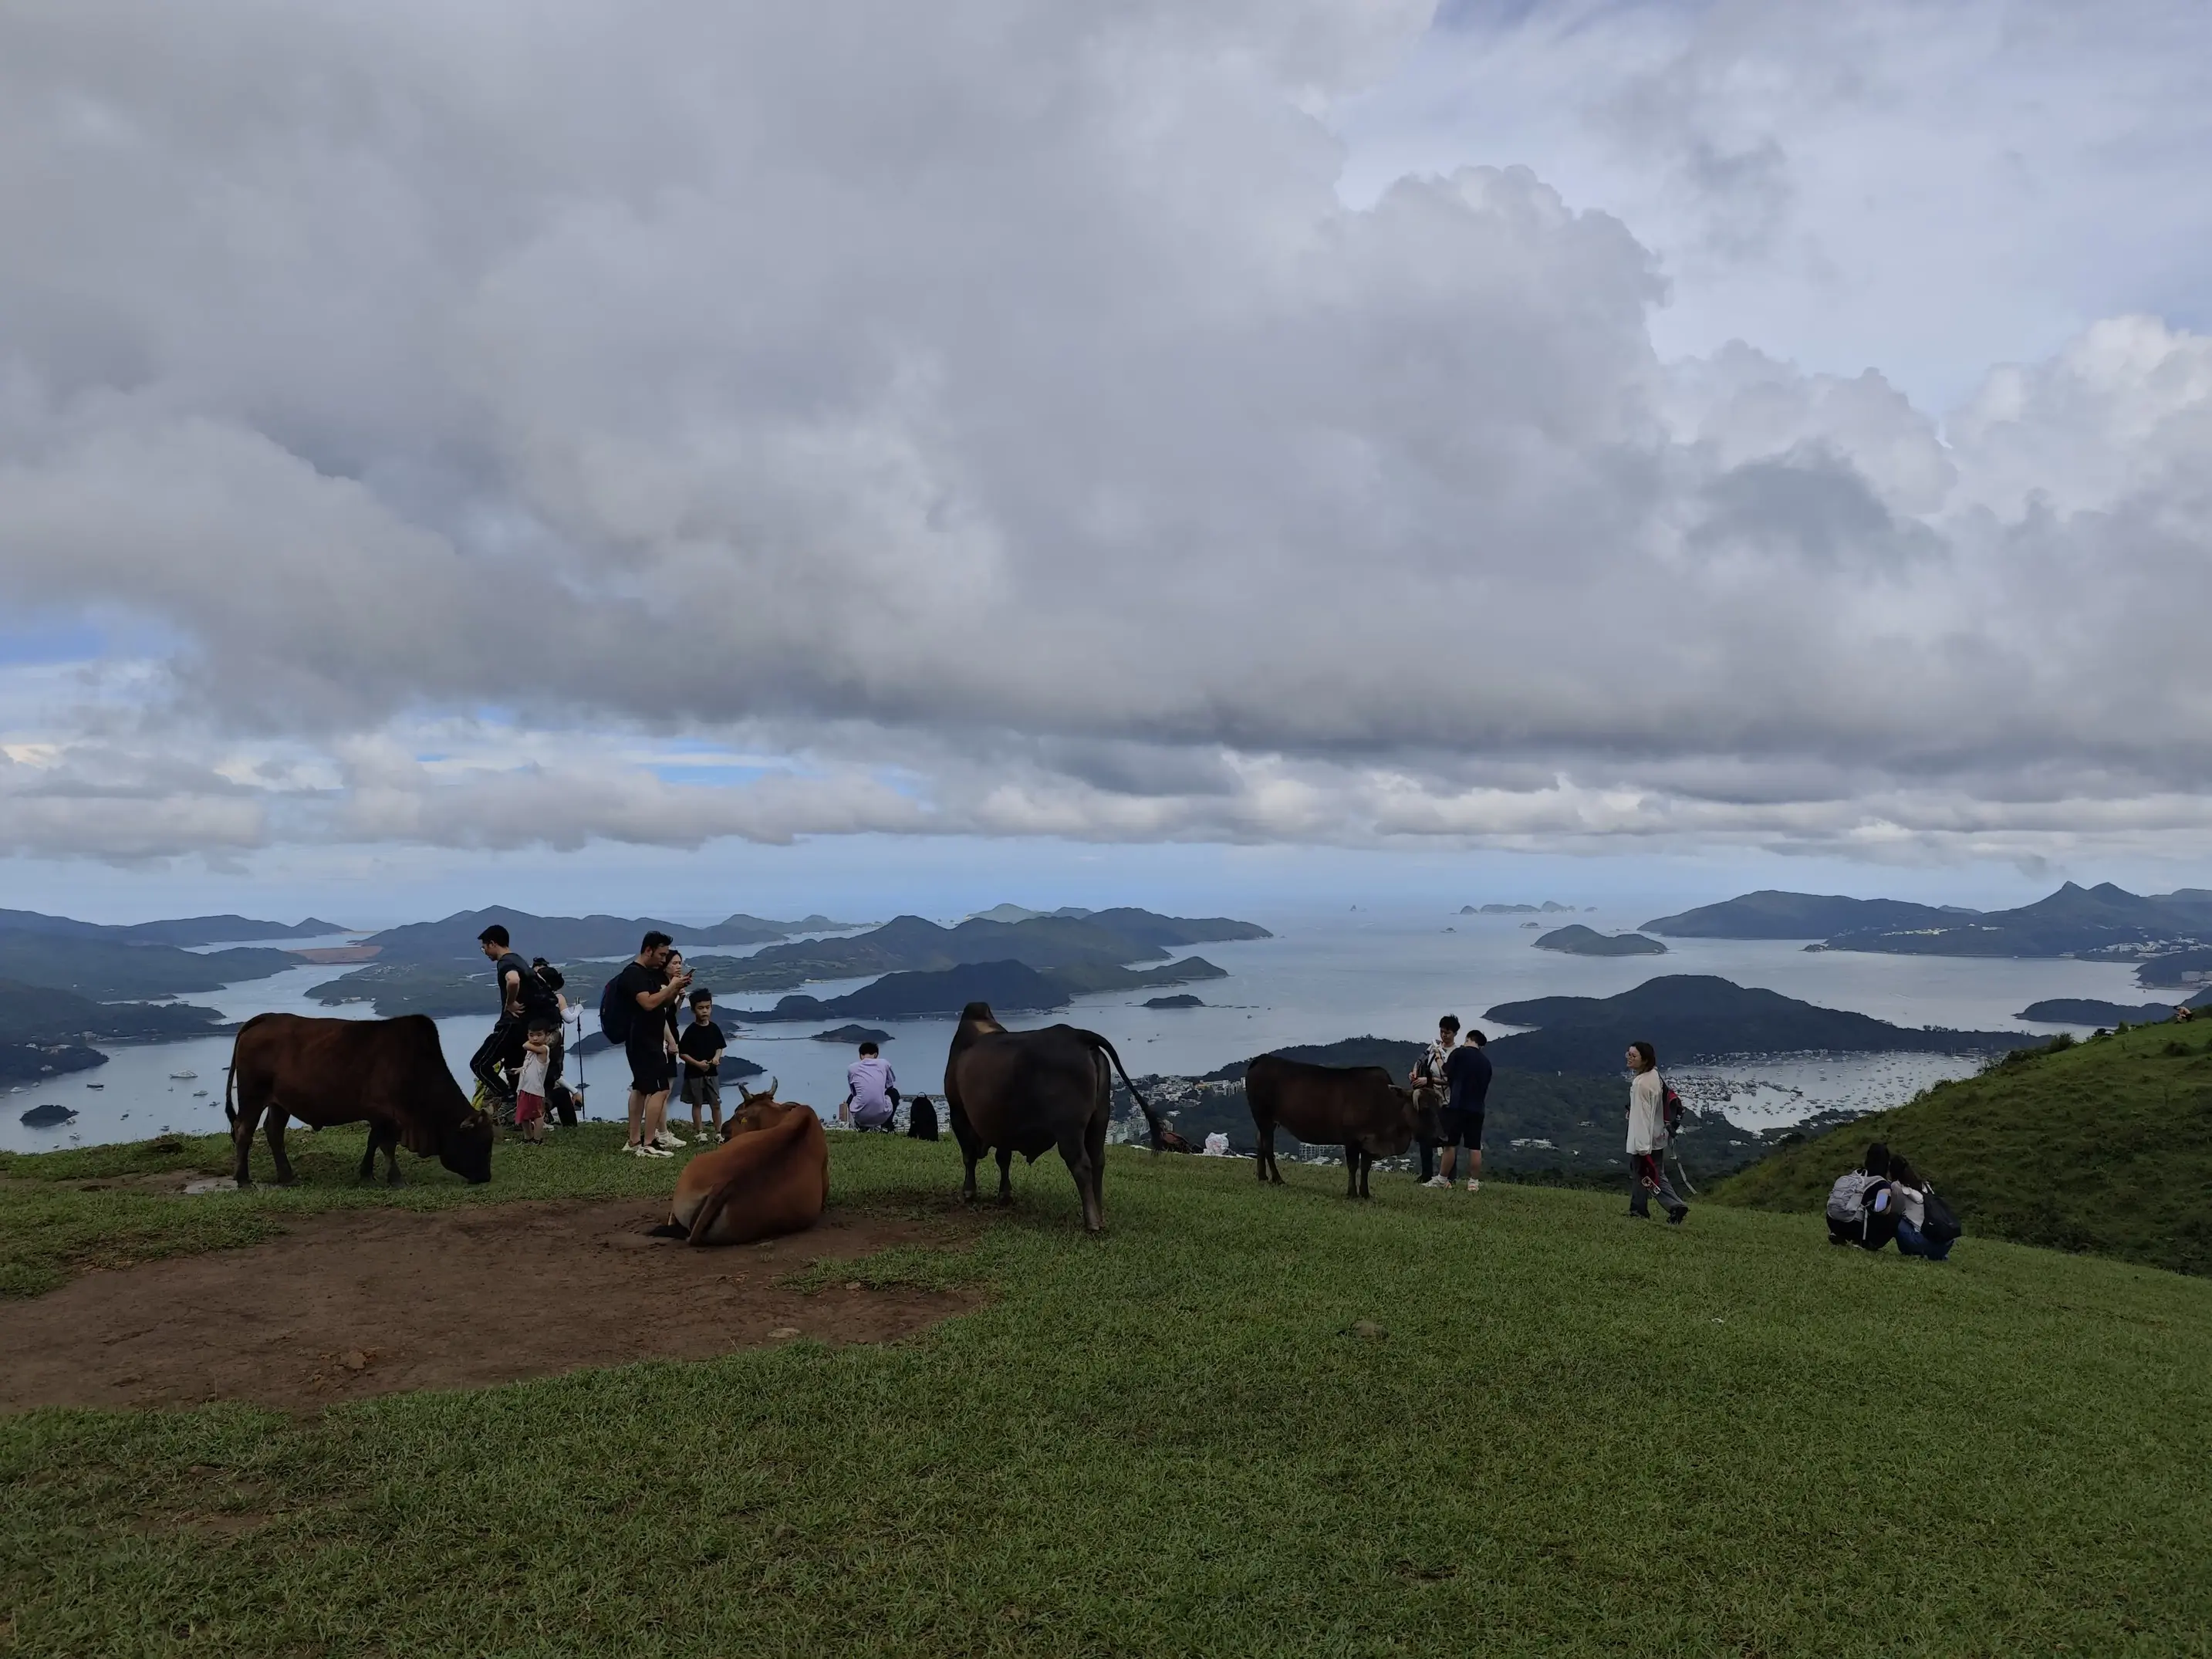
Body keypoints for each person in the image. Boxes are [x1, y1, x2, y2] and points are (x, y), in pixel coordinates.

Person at [614, 931, 690, 1158]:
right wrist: (671, 986)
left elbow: (662, 1005)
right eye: (662, 954)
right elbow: (648, 1004)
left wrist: (676, 988)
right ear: (648, 950)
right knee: (660, 1089)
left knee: (640, 1088)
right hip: (643, 1039)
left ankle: (635, 1140)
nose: (663, 959)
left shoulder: (647, 974)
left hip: (646, 1038)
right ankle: (649, 1143)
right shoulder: (633, 975)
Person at [469, 924, 543, 1105]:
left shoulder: (505, 962)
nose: (485, 951)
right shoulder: (519, 959)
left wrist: (510, 1003)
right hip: (524, 1027)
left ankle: (508, 1097)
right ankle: (524, 1114)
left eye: (484, 947)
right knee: (514, 1071)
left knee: (479, 1065)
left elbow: (513, 980)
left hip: (510, 1026)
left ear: (492, 944)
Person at [1625, 1040, 1689, 1224]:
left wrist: (1642, 1147)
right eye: (1628, 1054)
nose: (1629, 1058)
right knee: (1645, 1172)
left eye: (1633, 1056)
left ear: (1644, 1060)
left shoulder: (1641, 1085)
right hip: (1659, 1134)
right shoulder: (1654, 1075)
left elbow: (1642, 1118)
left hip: (1646, 1139)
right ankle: (1638, 1210)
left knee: (1648, 1173)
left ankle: (1674, 1205)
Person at [1439, 1028, 1492, 1192]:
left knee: (1451, 1144)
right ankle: (1473, 1183)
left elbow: (1445, 1071)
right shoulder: (1486, 1063)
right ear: (1480, 1045)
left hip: (1457, 1106)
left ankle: (1442, 1179)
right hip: (1477, 1109)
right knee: (1475, 1147)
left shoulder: (1459, 1053)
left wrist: (1437, 1056)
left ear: (1468, 1038)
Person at [1410, 1014, 1459, 1187]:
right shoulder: (1433, 1049)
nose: (1444, 1035)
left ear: (1455, 1033)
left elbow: (1452, 1079)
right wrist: (1415, 1075)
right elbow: (1420, 1063)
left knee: (1446, 1140)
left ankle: (1448, 1177)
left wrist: (1429, 1081)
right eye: (1442, 1031)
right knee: (1425, 1137)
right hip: (1429, 1100)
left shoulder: (1456, 1053)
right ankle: (1426, 1173)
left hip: (1446, 1102)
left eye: (1448, 1032)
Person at [677, 988, 727, 1140]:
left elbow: (720, 1046)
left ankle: (719, 1132)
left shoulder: (714, 1028)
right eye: (701, 1008)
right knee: (697, 1103)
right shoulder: (691, 1031)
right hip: (694, 1073)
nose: (705, 1011)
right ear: (693, 1010)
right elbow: (682, 1053)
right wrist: (697, 1064)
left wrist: (717, 1058)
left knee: (716, 1103)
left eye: (708, 1007)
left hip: (712, 1073)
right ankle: (700, 1133)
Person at [1825, 1142, 1894, 1248]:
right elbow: (1881, 1209)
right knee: (1893, 1216)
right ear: (1886, 1163)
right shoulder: (1881, 1183)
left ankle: (1838, 1234)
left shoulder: (1856, 1174)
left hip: (1833, 1219)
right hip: (1854, 1225)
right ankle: (1862, 1242)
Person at [1887, 1155, 1954, 1262]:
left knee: (1893, 1217)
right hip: (1944, 1244)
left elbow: (1894, 1210)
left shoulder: (1897, 1186)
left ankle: (1912, 1251)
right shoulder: (1925, 1185)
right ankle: (1936, 1253)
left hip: (1919, 1243)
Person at [514, 1018, 556, 1146]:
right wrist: (520, 1070)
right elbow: (531, 1065)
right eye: (532, 1035)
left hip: (534, 1090)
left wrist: (529, 1040)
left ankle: (537, 1140)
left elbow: (525, 1045)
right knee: (523, 1115)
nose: (535, 1039)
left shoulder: (544, 1049)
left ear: (547, 1036)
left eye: (539, 1035)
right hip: (523, 1088)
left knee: (537, 1115)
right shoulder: (531, 1052)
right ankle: (528, 1138)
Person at [843, 1040, 897, 1130]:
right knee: (894, 1093)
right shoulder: (884, 1064)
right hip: (882, 1115)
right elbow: (890, 1085)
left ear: (860, 1055)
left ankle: (861, 1127)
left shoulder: (852, 1068)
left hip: (860, 1117)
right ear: (876, 1055)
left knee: (850, 1098)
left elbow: (854, 1092)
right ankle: (887, 1126)